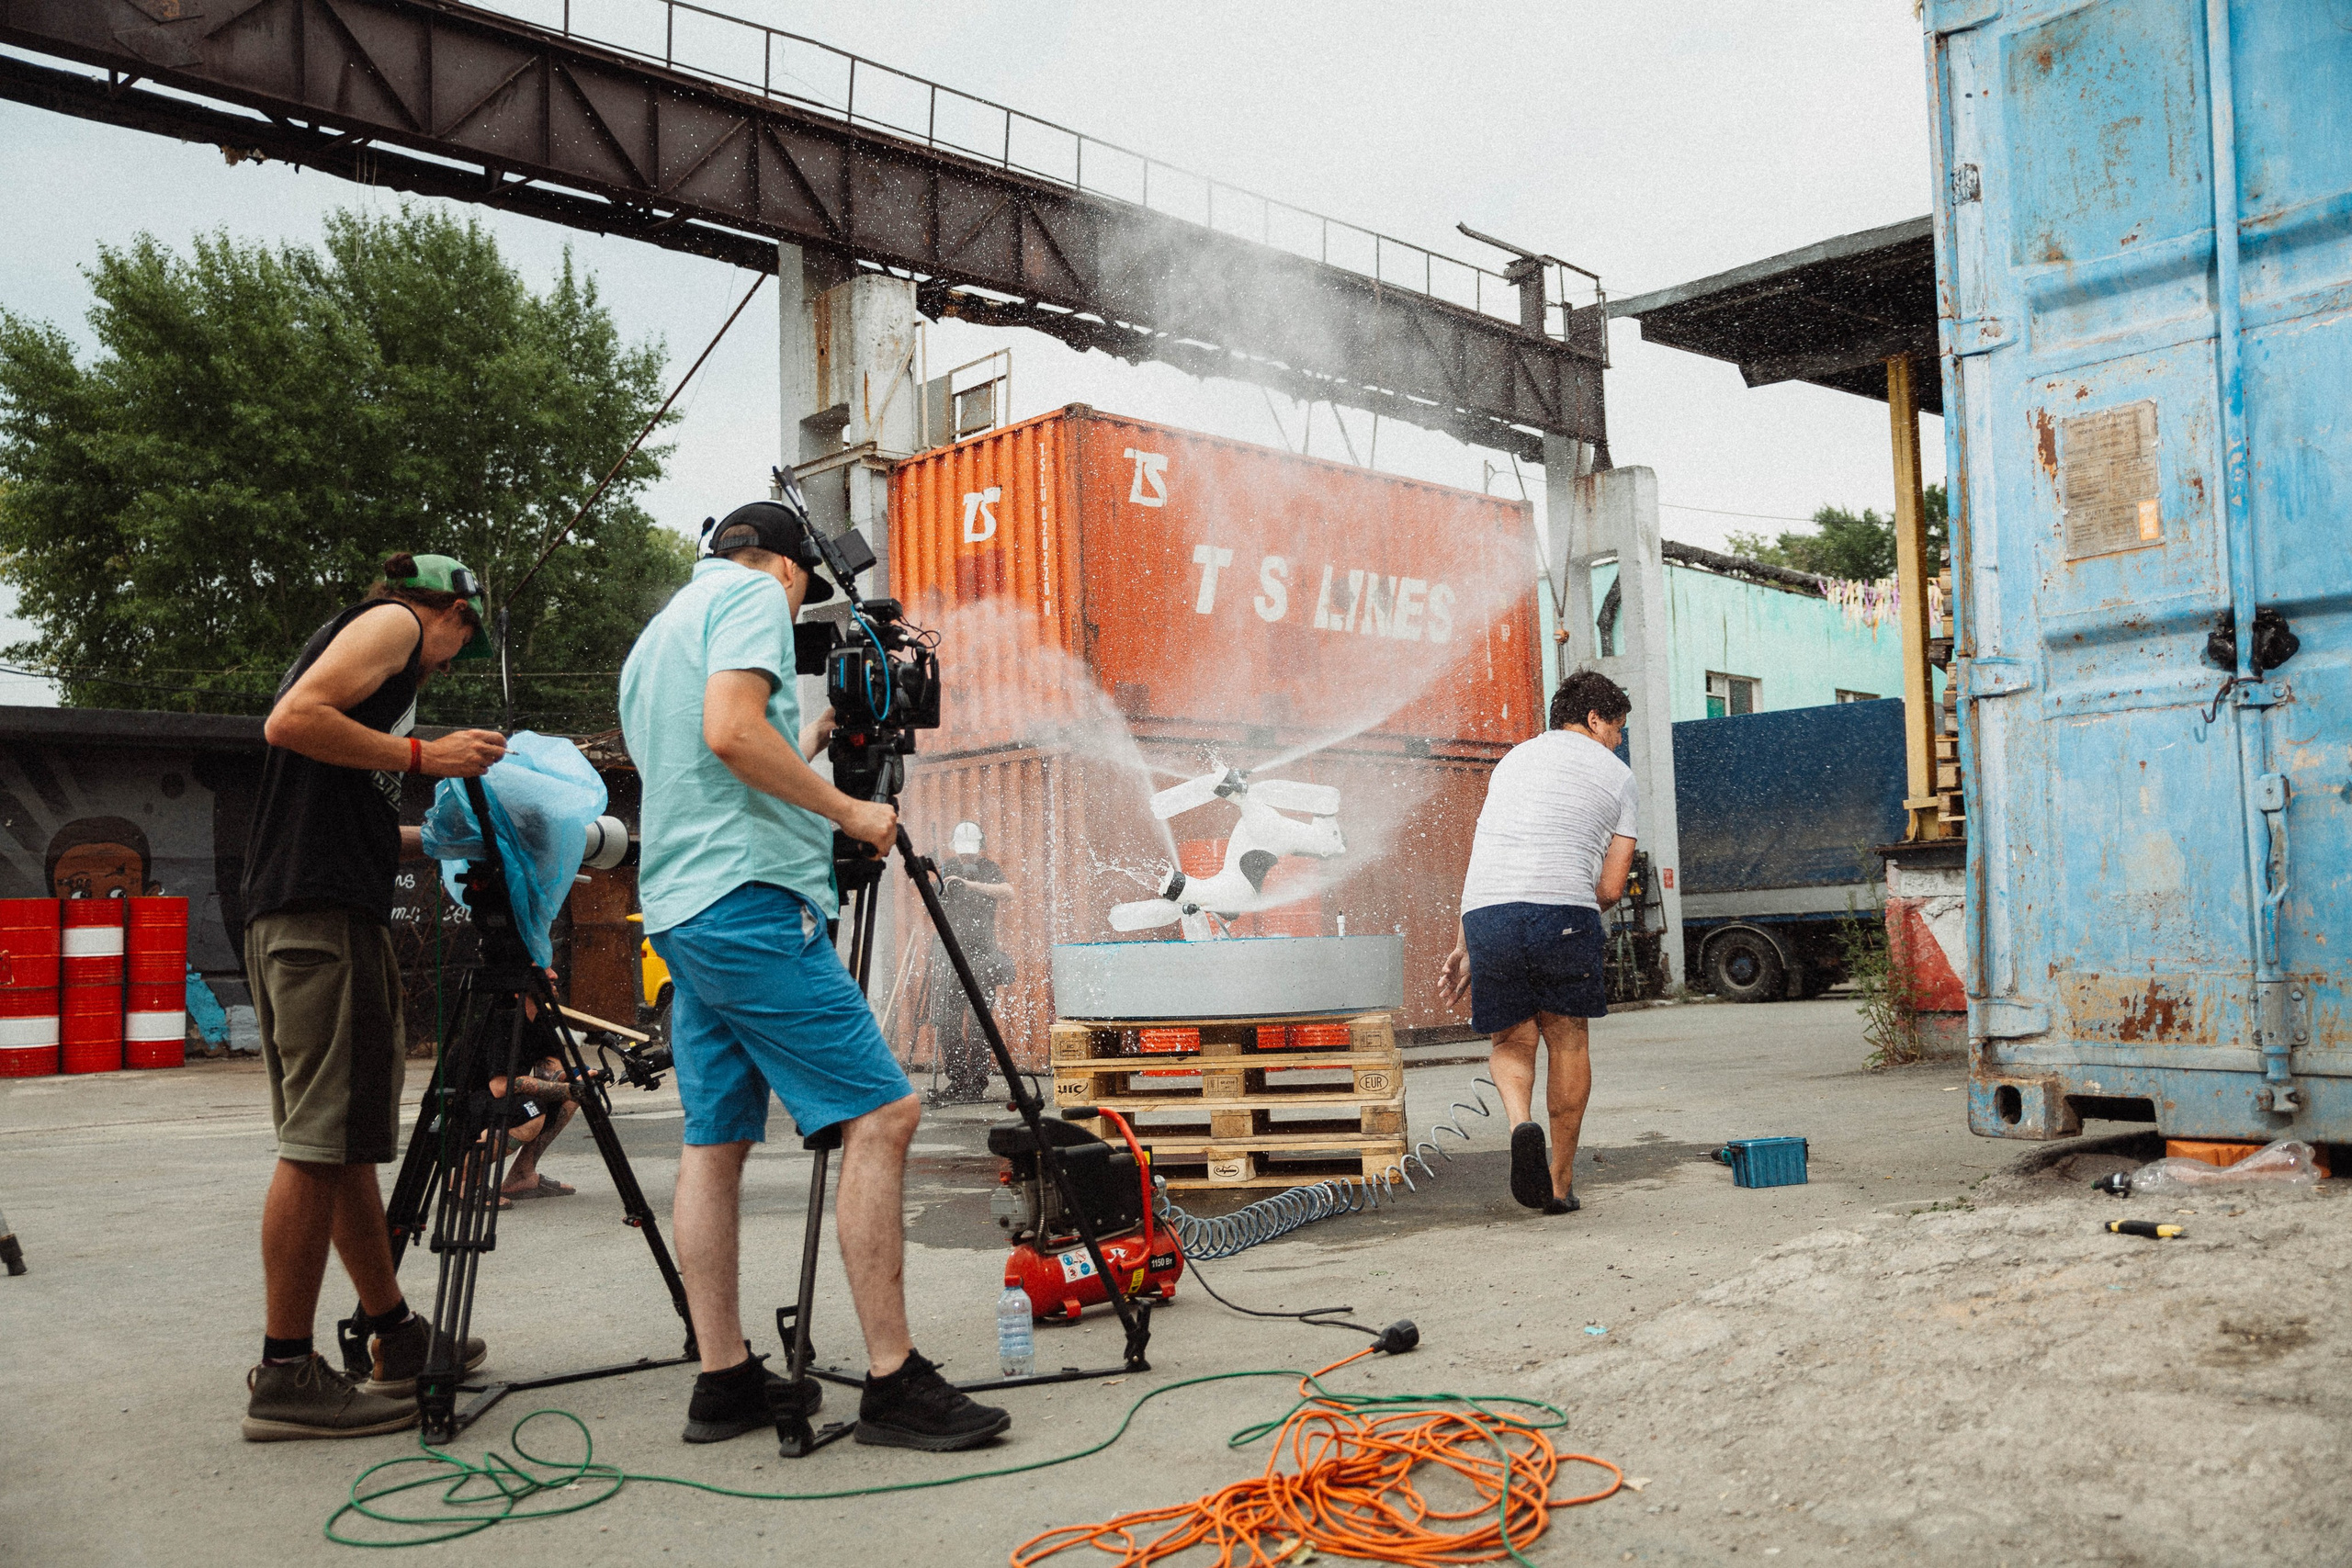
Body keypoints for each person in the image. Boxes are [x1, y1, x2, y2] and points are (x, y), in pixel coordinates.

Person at [619, 499, 1011, 1453]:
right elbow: (728, 735)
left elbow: (720, 762)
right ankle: (893, 1380)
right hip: (750, 901)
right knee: (883, 1112)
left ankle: (723, 1381)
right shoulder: (756, 598)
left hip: (685, 904)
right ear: (788, 568)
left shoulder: (658, 635)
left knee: (715, 1140)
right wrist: (849, 810)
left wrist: (821, 726)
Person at [240, 554, 509, 1440]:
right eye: (458, 642)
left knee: (346, 1141)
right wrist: (426, 753)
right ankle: (285, 1369)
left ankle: (392, 1333)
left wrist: (430, 839)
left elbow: (332, 796)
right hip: (318, 922)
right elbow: (292, 722)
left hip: (308, 911)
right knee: (319, 1142)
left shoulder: (371, 686)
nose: (445, 661)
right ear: (452, 615)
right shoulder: (393, 626)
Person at [1439, 668, 1637, 1218]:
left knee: (1511, 1041)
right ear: (1594, 719)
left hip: (1487, 912)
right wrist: (1568, 903)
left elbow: (1487, 852)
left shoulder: (1511, 761)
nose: (1619, 741)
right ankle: (1558, 1183)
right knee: (1567, 1041)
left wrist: (1466, 940)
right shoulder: (1617, 776)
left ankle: (1519, 1124)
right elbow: (1611, 888)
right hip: (1562, 912)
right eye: (1617, 727)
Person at [924, 820, 1015, 1104]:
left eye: (970, 851)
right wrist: (939, 888)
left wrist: (969, 884)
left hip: (984, 957)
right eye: (961, 851)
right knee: (948, 1022)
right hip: (952, 957)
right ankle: (958, 1079)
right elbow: (931, 906)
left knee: (979, 1023)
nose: (966, 857)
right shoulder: (946, 868)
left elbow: (1008, 892)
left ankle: (977, 1081)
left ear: (979, 847)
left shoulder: (990, 869)